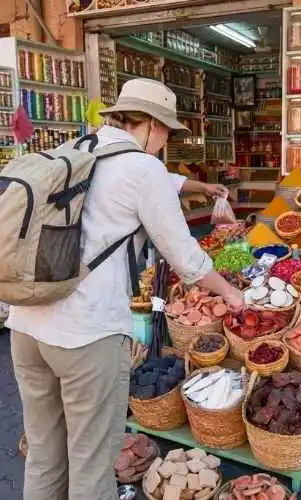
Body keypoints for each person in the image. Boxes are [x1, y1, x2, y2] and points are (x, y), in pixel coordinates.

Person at [7, 78, 244, 500]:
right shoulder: (141, 167)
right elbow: (184, 256)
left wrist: (201, 188)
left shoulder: (81, 149)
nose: (167, 140)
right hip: (86, 337)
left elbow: (163, 181)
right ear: (152, 124)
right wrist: (228, 291)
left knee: (44, 453)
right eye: (168, 130)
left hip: (27, 326)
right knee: (91, 463)